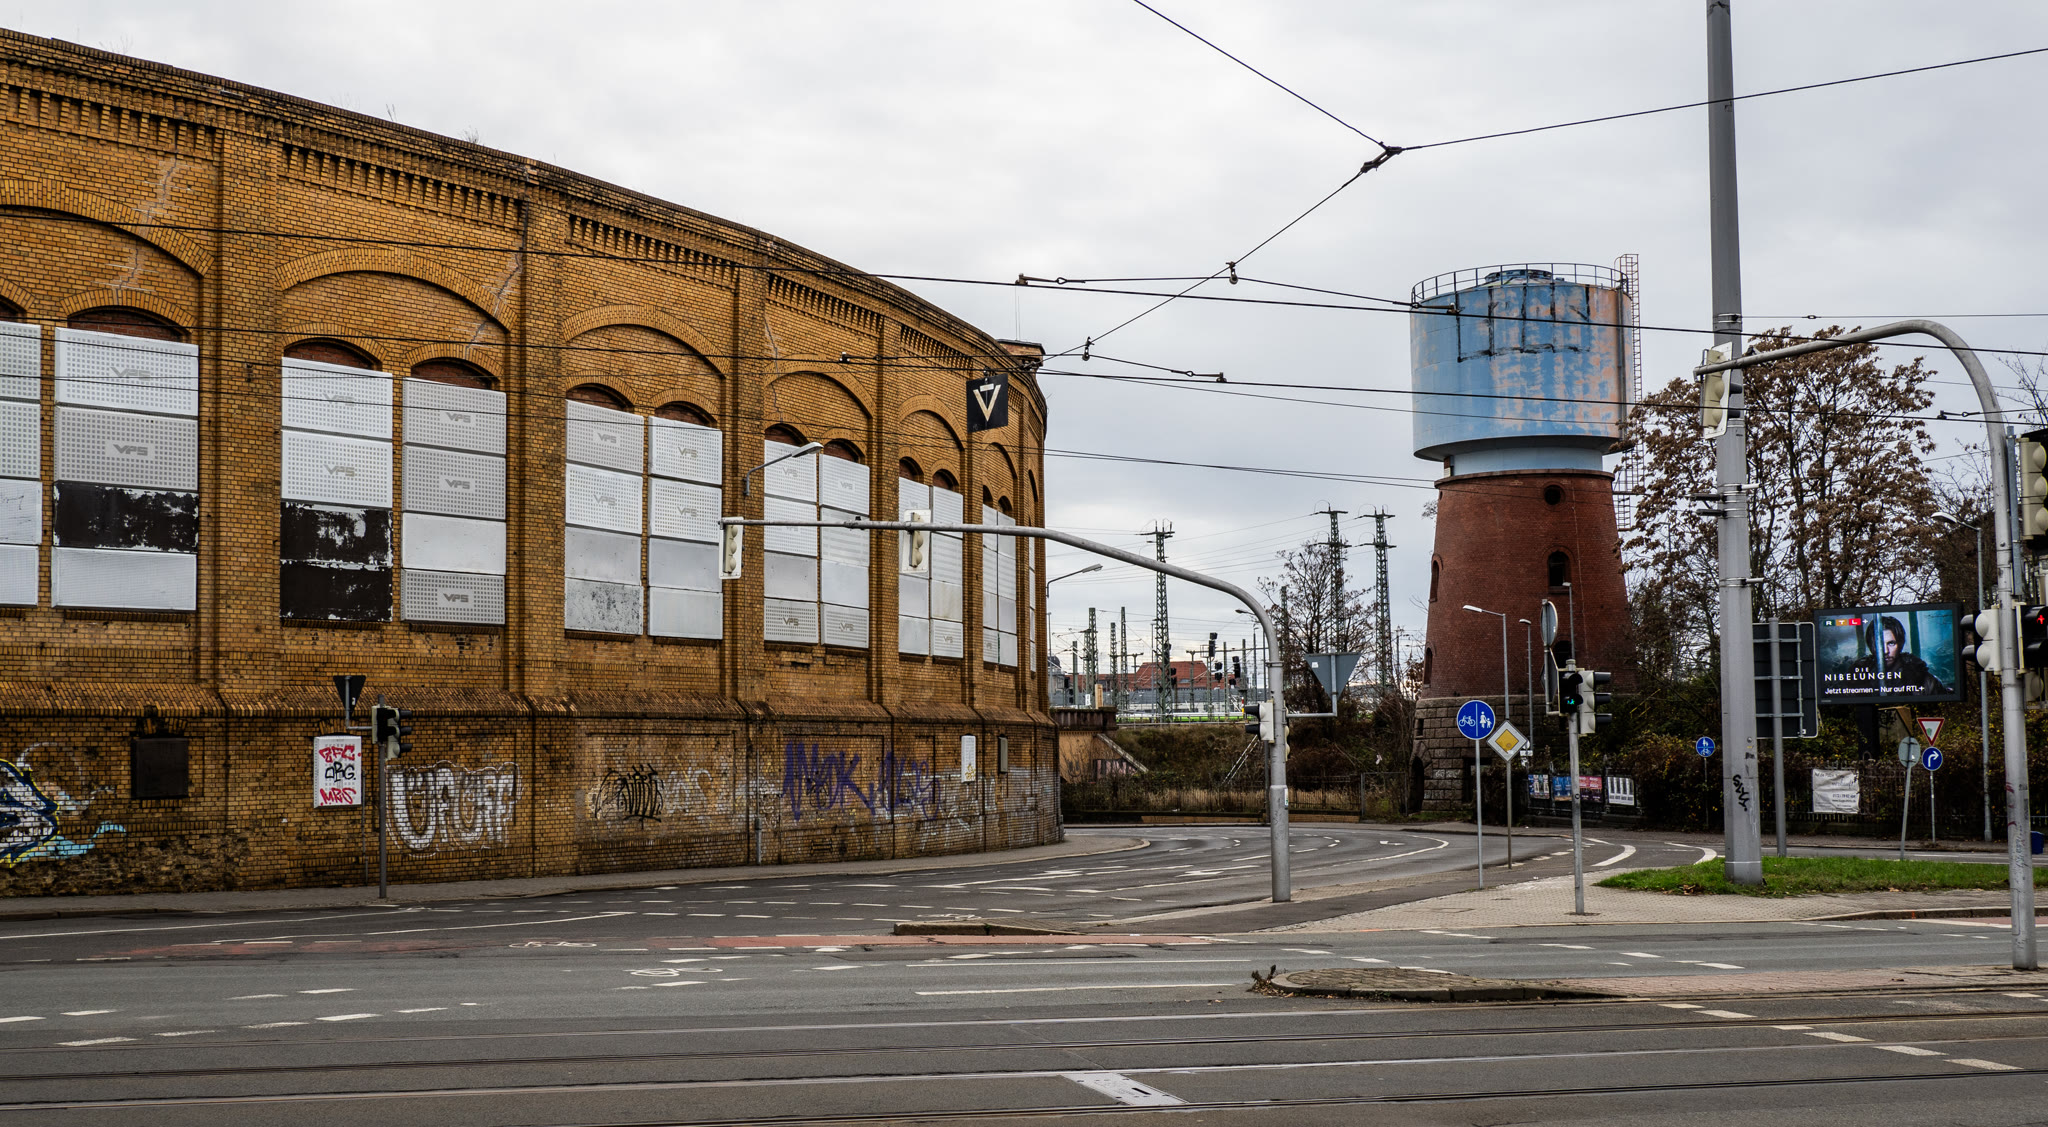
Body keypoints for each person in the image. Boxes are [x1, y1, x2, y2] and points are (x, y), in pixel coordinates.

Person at [1848, 615, 1951, 697]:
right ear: (1871, 646)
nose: (1885, 651)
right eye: (1879, 644)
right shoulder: (1856, 679)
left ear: (1900, 644)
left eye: (1891, 643)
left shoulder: (1923, 679)